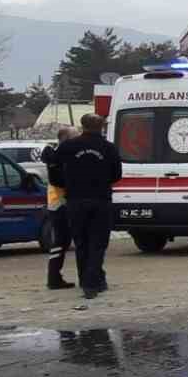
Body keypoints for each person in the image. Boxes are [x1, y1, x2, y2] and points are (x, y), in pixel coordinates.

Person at [53, 114, 122, 299]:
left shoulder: (68, 146)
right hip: (101, 200)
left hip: (75, 201)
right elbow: (117, 175)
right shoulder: (108, 148)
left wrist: (69, 183)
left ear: (82, 126)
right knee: (98, 243)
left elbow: (54, 169)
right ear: (101, 127)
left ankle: (86, 279)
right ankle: (93, 283)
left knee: (81, 242)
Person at [40, 127, 77, 289]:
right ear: (65, 138)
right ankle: (53, 277)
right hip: (59, 203)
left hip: (58, 201)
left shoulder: (55, 154)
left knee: (62, 241)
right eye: (75, 137)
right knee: (61, 241)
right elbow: (59, 181)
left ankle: (54, 276)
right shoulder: (57, 156)